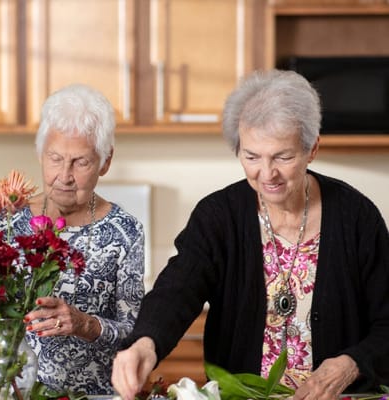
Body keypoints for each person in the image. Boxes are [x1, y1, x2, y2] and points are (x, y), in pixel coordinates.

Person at [111, 69, 389, 400]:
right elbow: (178, 289)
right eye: (251, 156)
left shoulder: (356, 217)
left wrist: (349, 365)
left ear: (311, 149)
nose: (267, 173)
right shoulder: (218, 216)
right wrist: (146, 342)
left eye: (283, 157)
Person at [0, 84, 146, 395]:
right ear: (40, 153)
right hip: (11, 394)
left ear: (105, 161)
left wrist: (85, 325)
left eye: (81, 162)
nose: (64, 176)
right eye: (55, 158)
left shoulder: (125, 231)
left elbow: (135, 337)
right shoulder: (7, 222)